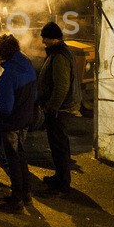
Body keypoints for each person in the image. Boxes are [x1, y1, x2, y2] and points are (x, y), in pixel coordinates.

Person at [0, 33, 38, 213]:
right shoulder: (27, 65)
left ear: (2, 53)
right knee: (21, 156)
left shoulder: (8, 75)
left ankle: (16, 200)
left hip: (12, 123)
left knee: (13, 160)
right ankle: (26, 194)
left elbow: (5, 107)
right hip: (26, 119)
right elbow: (33, 95)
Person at [37, 21, 82, 197]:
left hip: (60, 110)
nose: (43, 42)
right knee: (57, 146)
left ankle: (62, 185)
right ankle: (59, 177)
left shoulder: (59, 57)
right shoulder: (59, 52)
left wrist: (52, 107)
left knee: (59, 146)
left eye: (45, 38)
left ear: (52, 38)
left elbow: (61, 86)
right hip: (59, 108)